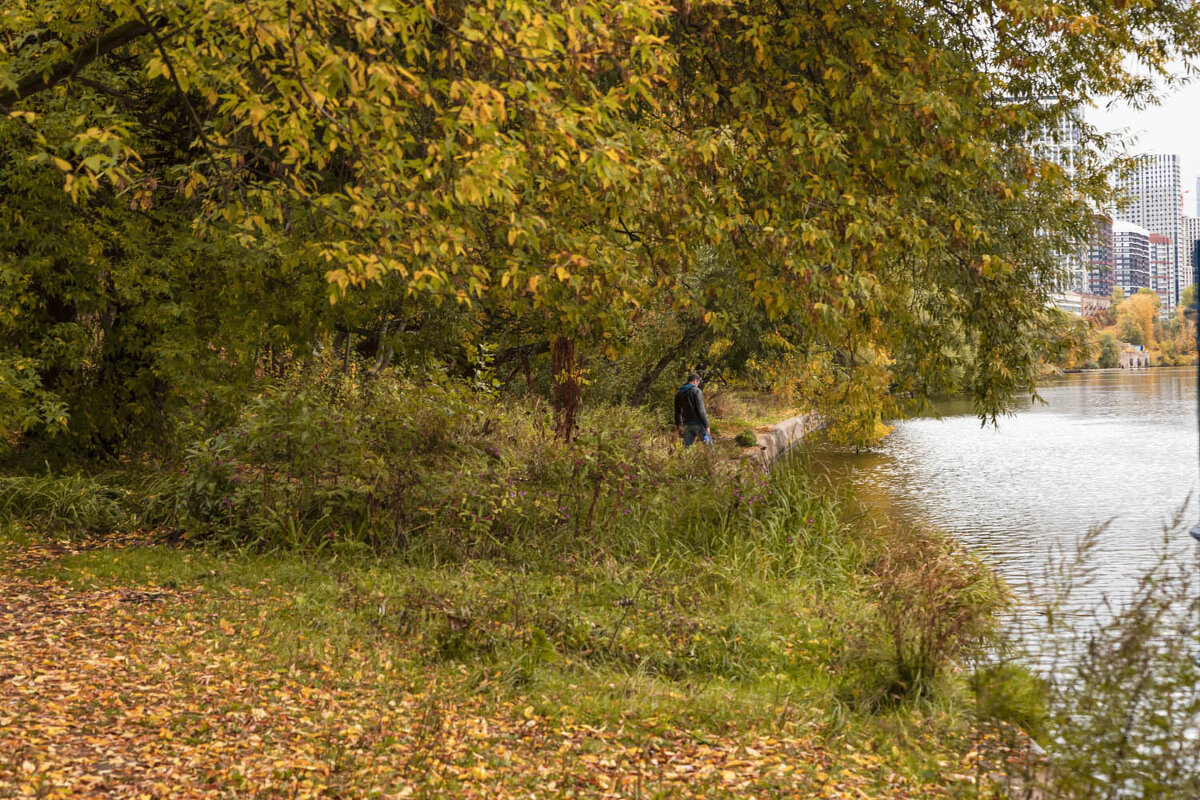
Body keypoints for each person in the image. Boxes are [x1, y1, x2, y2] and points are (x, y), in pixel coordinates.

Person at [674, 372, 711, 447]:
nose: (697, 384)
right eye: (698, 382)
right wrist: (707, 425)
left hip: (686, 424)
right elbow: (701, 410)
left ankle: (685, 459)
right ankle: (713, 458)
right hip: (698, 423)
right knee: (708, 445)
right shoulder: (696, 391)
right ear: (695, 381)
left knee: (687, 448)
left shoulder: (679, 393)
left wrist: (679, 425)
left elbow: (677, 411)